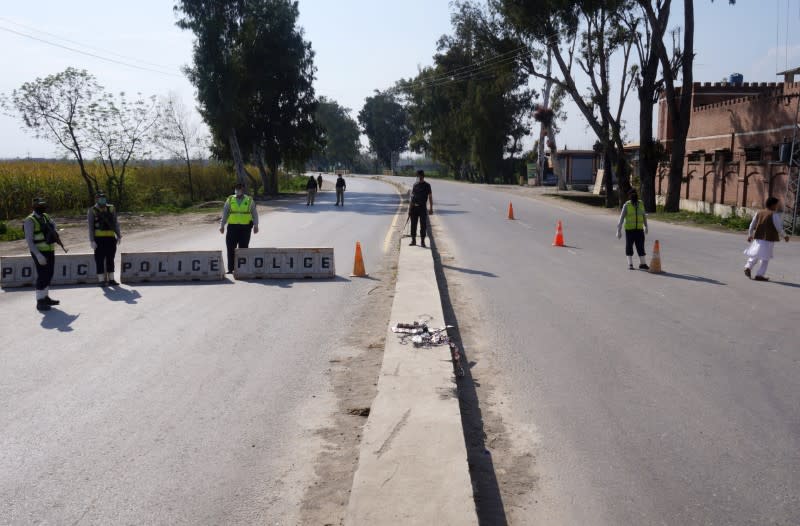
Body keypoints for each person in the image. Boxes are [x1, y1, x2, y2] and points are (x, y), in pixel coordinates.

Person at [23, 197, 60, 311]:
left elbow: (54, 225)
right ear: (34, 207)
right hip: (39, 251)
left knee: (49, 274)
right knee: (42, 275)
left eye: (43, 205)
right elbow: (29, 240)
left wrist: (53, 229)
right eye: (40, 206)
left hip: (49, 250)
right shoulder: (30, 220)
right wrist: (38, 255)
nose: (42, 207)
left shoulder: (45, 216)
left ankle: (45, 297)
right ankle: (40, 301)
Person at [743, 196, 790, 281]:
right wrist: (785, 236)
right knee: (765, 258)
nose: (776, 207)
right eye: (776, 205)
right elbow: (778, 227)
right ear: (772, 205)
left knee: (756, 254)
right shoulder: (774, 214)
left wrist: (750, 235)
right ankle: (759, 275)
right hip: (768, 239)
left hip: (758, 238)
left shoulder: (759, 213)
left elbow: (752, 225)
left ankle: (748, 267)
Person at [220, 182, 259, 274]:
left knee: (243, 249)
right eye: (236, 189)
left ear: (243, 190)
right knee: (230, 248)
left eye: (239, 189)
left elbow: (254, 214)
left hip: (245, 228)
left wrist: (256, 226)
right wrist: (221, 225)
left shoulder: (249, 200)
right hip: (232, 227)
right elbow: (225, 213)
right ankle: (230, 269)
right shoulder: (230, 199)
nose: (237, 190)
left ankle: (242, 268)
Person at [88, 191, 122, 287]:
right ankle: (101, 280)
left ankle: (111, 279)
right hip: (99, 239)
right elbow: (90, 227)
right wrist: (92, 240)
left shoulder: (111, 208)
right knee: (99, 260)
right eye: (100, 198)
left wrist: (119, 235)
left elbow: (115, 223)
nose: (102, 200)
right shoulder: (92, 210)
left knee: (111, 258)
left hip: (111, 238)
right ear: (96, 199)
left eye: (104, 198)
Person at [616, 189, 649, 270]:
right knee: (629, 246)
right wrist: (618, 230)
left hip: (639, 230)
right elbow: (621, 218)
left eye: (635, 194)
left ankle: (643, 263)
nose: (634, 195)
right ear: (629, 196)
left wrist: (646, 226)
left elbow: (644, 215)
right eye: (632, 194)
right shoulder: (627, 205)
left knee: (640, 246)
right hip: (629, 230)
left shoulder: (641, 203)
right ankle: (630, 264)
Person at [409, 170, 433, 247]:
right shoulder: (415, 185)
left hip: (422, 208)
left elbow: (430, 197)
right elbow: (412, 198)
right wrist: (410, 209)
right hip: (414, 208)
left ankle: (422, 241)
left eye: (418, 176)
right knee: (413, 225)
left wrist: (431, 208)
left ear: (422, 176)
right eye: (417, 176)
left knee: (423, 225)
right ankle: (413, 240)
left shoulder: (427, 185)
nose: (417, 177)